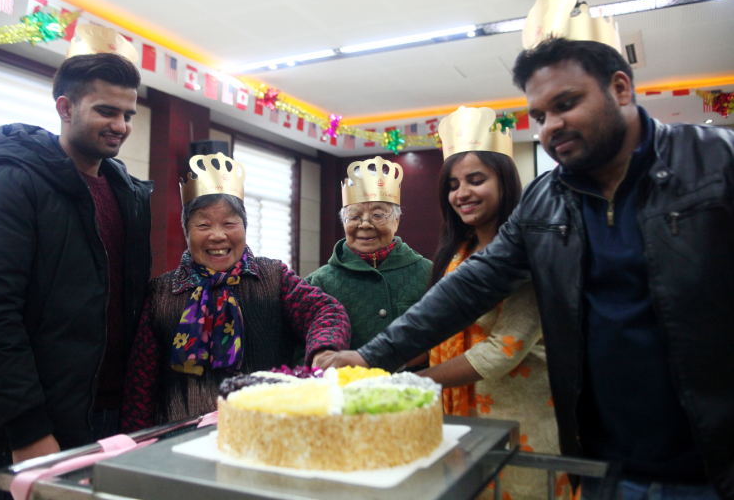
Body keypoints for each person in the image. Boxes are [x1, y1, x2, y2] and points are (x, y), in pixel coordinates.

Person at [318, 37, 734, 499]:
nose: (551, 126)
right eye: (538, 116)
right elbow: (470, 287)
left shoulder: (716, 162)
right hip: (605, 461)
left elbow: (504, 347)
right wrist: (371, 356)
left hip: (713, 461)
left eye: (567, 104)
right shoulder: (547, 201)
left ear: (620, 88)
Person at [0, 47, 151, 499]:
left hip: (109, 416)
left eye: (128, 114)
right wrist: (28, 430)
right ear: (64, 107)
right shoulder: (11, 181)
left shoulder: (127, 192)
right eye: (106, 111)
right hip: (29, 425)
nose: (121, 126)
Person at [120, 153, 350, 431]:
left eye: (229, 223)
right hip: (180, 440)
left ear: (244, 227)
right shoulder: (162, 293)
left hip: (267, 430)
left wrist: (324, 352)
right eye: (203, 225)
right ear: (186, 231)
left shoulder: (273, 278)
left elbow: (324, 310)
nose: (218, 235)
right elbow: (140, 386)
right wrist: (136, 444)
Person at [411, 107, 569, 500]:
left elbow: (504, 349)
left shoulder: (527, 252)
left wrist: (416, 383)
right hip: (454, 419)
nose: (461, 193)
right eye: (453, 184)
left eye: (475, 180)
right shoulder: (456, 251)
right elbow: (439, 327)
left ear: (505, 180)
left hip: (516, 420)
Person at [305, 156, 432, 352]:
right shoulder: (318, 282)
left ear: (396, 221)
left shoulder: (429, 273)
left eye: (378, 215)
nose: (364, 224)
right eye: (354, 217)